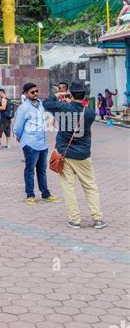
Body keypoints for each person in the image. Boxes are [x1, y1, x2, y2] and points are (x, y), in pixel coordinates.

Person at [43, 81, 106, 229]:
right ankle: (97, 218)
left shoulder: (61, 107)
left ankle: (75, 219)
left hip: (64, 154)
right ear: (84, 95)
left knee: (68, 187)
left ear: (70, 94)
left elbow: (47, 102)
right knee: (90, 186)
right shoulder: (90, 112)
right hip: (83, 154)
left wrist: (59, 94)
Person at [14, 83, 59, 205]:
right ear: (25, 93)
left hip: (42, 143)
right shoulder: (24, 108)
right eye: (32, 92)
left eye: (36, 91)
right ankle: (30, 194)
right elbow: (18, 125)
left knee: (42, 169)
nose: (35, 94)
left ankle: (45, 193)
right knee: (30, 169)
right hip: (30, 142)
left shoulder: (41, 105)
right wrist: (18, 136)